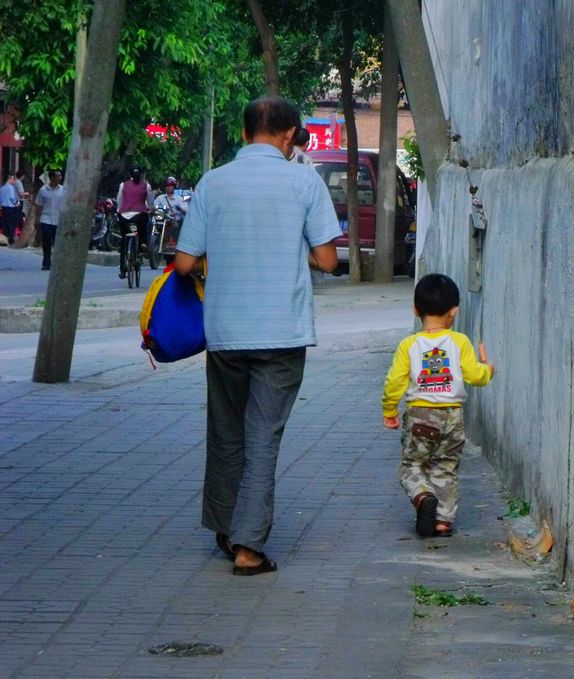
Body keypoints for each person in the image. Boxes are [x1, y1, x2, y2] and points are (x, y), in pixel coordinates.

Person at [174, 96, 340, 576]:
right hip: (282, 334)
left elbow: (185, 263)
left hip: (226, 331)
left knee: (226, 433)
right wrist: (292, 250)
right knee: (263, 436)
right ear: (289, 135)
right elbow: (329, 260)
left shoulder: (214, 181)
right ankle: (248, 547)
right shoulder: (304, 180)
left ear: (246, 132)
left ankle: (226, 529)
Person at [381, 273, 495, 537]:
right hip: (453, 415)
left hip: (420, 415)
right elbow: (474, 375)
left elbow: (394, 382)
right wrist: (488, 369)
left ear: (415, 309)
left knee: (412, 464)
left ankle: (422, 496)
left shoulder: (409, 345)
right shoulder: (460, 342)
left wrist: (389, 411)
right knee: (445, 466)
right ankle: (443, 521)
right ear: (453, 312)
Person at [116, 165, 153, 278]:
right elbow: (150, 202)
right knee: (144, 226)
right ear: (141, 174)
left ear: (129, 174)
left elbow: (119, 201)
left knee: (124, 241)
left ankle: (123, 270)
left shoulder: (123, 185)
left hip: (124, 217)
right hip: (139, 216)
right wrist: (151, 208)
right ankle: (143, 244)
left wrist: (120, 210)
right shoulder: (146, 186)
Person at [34, 169, 66, 270]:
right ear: (52, 178)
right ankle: (46, 263)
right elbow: (39, 205)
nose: (60, 178)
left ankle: (57, 263)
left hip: (58, 220)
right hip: (46, 219)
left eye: (60, 176)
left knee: (58, 243)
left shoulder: (63, 190)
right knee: (46, 242)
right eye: (57, 176)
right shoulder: (43, 190)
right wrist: (37, 219)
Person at [1, 175, 19, 245]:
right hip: (10, 208)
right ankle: (11, 240)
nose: (14, 182)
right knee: (11, 224)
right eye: (14, 180)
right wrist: (16, 203)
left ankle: (5, 239)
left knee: (5, 223)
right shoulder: (10, 187)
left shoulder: (2, 188)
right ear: (10, 179)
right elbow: (12, 197)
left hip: (4, 207)